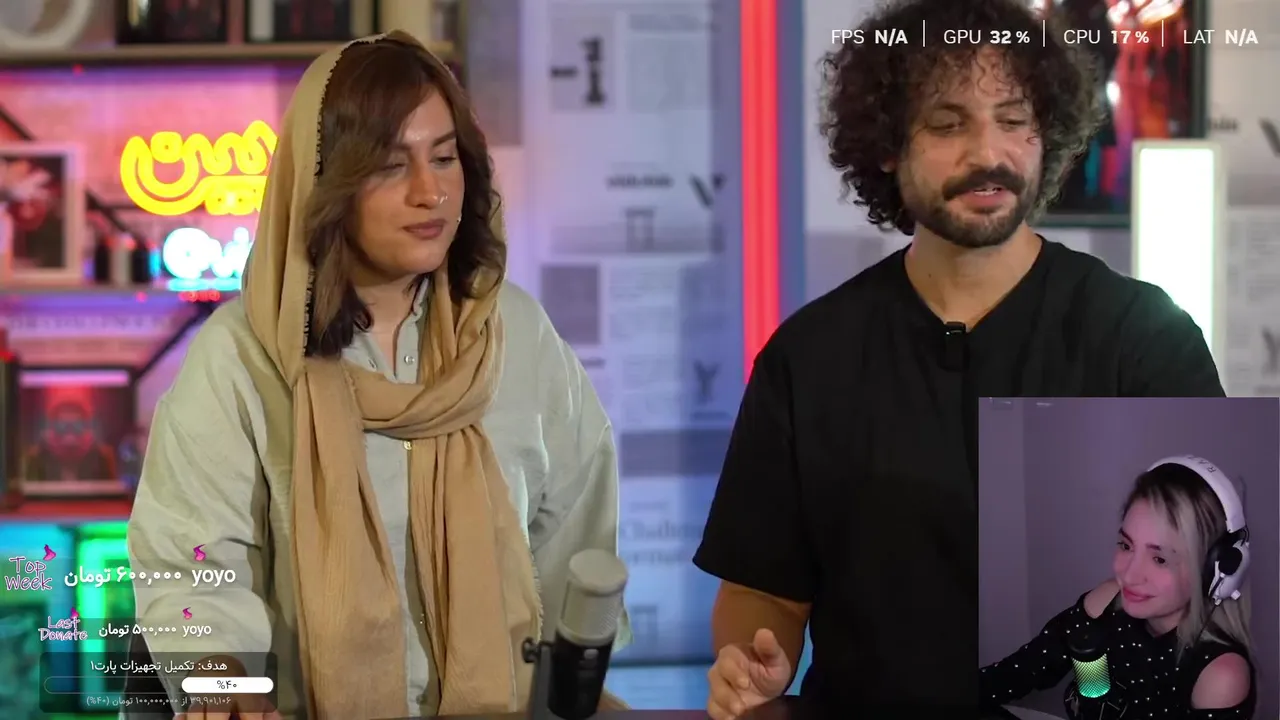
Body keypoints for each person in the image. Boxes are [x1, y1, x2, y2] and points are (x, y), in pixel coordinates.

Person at [694, 0, 1225, 716]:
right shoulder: (810, 356)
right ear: (888, 145)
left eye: (1014, 120)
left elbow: (1204, 576)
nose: (989, 154)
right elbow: (763, 590)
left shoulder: (1143, 338)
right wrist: (753, 664)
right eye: (948, 125)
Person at [126, 32, 629, 720]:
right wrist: (221, 678)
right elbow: (188, 566)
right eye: (392, 166)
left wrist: (570, 683)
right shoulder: (241, 357)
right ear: (326, 184)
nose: (431, 192)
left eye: (444, 158)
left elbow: (578, 545)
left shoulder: (517, 334)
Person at [981, 456, 1255, 718]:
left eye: (1160, 559)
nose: (1129, 575)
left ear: (1214, 571)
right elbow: (1018, 672)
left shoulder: (1220, 677)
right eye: (1126, 545)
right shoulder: (1107, 602)